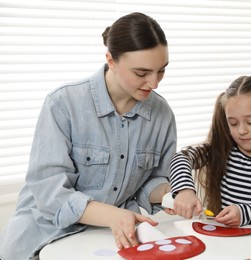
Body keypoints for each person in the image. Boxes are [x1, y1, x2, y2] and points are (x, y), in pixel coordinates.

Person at [0, 12, 177, 260]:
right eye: (141, 73)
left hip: (103, 239)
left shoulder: (162, 115)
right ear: (111, 61)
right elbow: (49, 191)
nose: (154, 82)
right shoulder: (63, 104)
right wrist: (112, 215)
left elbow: (153, 180)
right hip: (42, 237)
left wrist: (175, 194)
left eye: (161, 71)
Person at [168, 76, 251, 228]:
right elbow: (180, 158)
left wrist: (243, 213)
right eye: (233, 123)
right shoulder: (221, 151)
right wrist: (184, 190)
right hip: (224, 239)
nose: (242, 131)